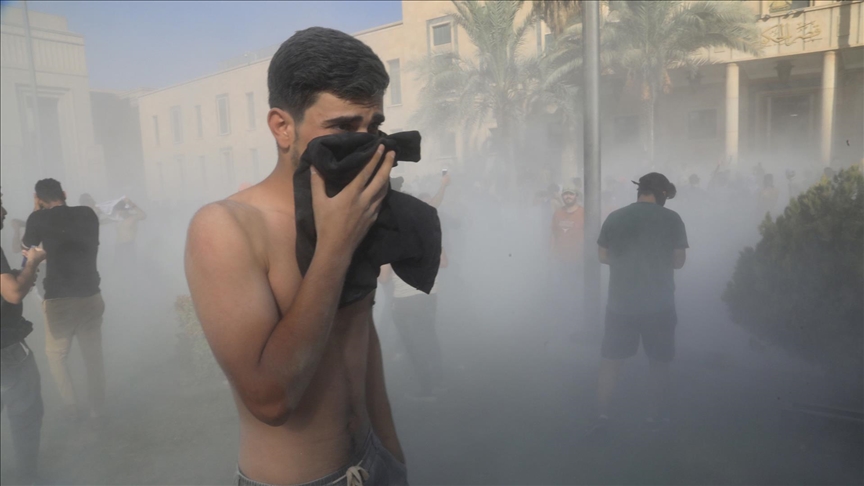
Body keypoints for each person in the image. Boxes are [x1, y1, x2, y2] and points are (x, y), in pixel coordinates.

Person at [184, 27, 407, 486]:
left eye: (374, 127)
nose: (364, 143)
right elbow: (270, 400)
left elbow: (361, 338)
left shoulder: (356, 206)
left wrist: (393, 456)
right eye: (343, 128)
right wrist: (335, 247)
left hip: (374, 462)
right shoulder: (226, 227)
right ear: (283, 127)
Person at [593, 172, 688, 433]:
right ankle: (654, 417)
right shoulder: (672, 219)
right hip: (659, 305)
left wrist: (626, 263)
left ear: (640, 192)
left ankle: (602, 415)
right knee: (658, 362)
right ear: (662, 195)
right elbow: (678, 262)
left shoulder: (616, 216)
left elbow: (602, 255)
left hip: (620, 304)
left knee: (611, 360)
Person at [22, 179, 106, 423]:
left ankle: (71, 406)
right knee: (93, 357)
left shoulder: (38, 218)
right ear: (65, 194)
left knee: (56, 355)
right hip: (91, 293)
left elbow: (26, 248)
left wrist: (36, 211)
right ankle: (97, 411)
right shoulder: (88, 213)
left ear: (38, 198)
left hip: (59, 298)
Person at [1, 190, 47, 484]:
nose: (4, 212)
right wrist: (34, 263)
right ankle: (28, 479)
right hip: (6, 351)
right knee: (26, 415)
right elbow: (13, 292)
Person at [379, 250, 448, 401]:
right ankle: (440, 382)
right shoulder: (429, 231)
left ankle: (427, 389)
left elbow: (384, 277)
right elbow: (443, 263)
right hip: (429, 294)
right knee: (430, 338)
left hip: (405, 299)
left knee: (413, 345)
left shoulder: (390, 239)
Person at [112, 197, 147, 267]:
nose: (119, 212)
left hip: (128, 246)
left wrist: (131, 204)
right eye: (118, 210)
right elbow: (101, 222)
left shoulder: (132, 218)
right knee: (118, 268)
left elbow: (143, 215)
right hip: (118, 246)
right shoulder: (118, 219)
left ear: (126, 210)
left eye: (121, 210)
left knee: (130, 267)